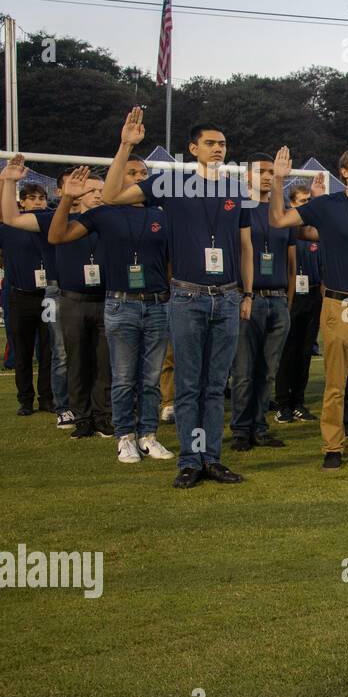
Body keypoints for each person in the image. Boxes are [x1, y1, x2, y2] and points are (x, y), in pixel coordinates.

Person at [99, 110, 252, 488]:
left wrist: (246, 293)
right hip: (187, 297)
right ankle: (189, 461)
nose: (218, 149)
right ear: (193, 148)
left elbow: (245, 247)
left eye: (223, 144)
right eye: (211, 143)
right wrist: (126, 145)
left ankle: (211, 459)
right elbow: (110, 195)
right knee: (188, 385)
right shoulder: (170, 184)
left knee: (215, 386)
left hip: (228, 297)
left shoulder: (236, 189)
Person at [269, 146, 348, 470]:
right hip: (341, 303)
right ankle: (332, 447)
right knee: (336, 382)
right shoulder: (325, 206)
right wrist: (279, 182)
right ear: (344, 172)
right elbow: (280, 219)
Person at [44, 164, 175, 463]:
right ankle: (125, 437)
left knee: (151, 377)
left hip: (157, 303)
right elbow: (57, 236)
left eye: (143, 173)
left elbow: (169, 259)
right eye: (132, 173)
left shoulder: (161, 215)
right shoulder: (104, 213)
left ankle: (148, 436)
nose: (140, 178)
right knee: (124, 376)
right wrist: (67, 199)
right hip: (121, 303)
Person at [7, 166, 114, 440]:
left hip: (106, 299)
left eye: (103, 191)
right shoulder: (54, 219)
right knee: (70, 359)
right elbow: (10, 217)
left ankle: (103, 417)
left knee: (103, 362)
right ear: (77, 193)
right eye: (93, 191)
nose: (99, 195)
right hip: (69, 298)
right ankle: (79, 416)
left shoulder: (111, 221)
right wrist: (8, 182)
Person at [230, 153, 293, 451]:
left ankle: (260, 427)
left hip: (278, 299)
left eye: (272, 172)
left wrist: (288, 300)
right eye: (262, 171)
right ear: (247, 176)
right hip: (249, 298)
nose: (268, 176)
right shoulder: (240, 208)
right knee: (243, 370)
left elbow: (292, 262)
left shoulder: (283, 209)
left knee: (268, 370)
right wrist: (244, 293)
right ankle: (241, 429)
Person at [0, 171, 56, 416]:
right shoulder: (9, 228)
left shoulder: (51, 224)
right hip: (20, 296)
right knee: (21, 351)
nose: (38, 202)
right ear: (21, 202)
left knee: (48, 350)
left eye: (42, 198)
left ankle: (47, 398)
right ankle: (25, 400)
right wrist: (6, 181)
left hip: (48, 297)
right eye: (32, 198)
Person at [274, 179, 324, 422]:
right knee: (288, 351)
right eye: (303, 202)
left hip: (313, 295)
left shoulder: (316, 233)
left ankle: (299, 402)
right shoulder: (289, 230)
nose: (307, 206)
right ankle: (283, 403)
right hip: (292, 296)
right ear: (292, 204)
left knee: (305, 352)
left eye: (309, 201)